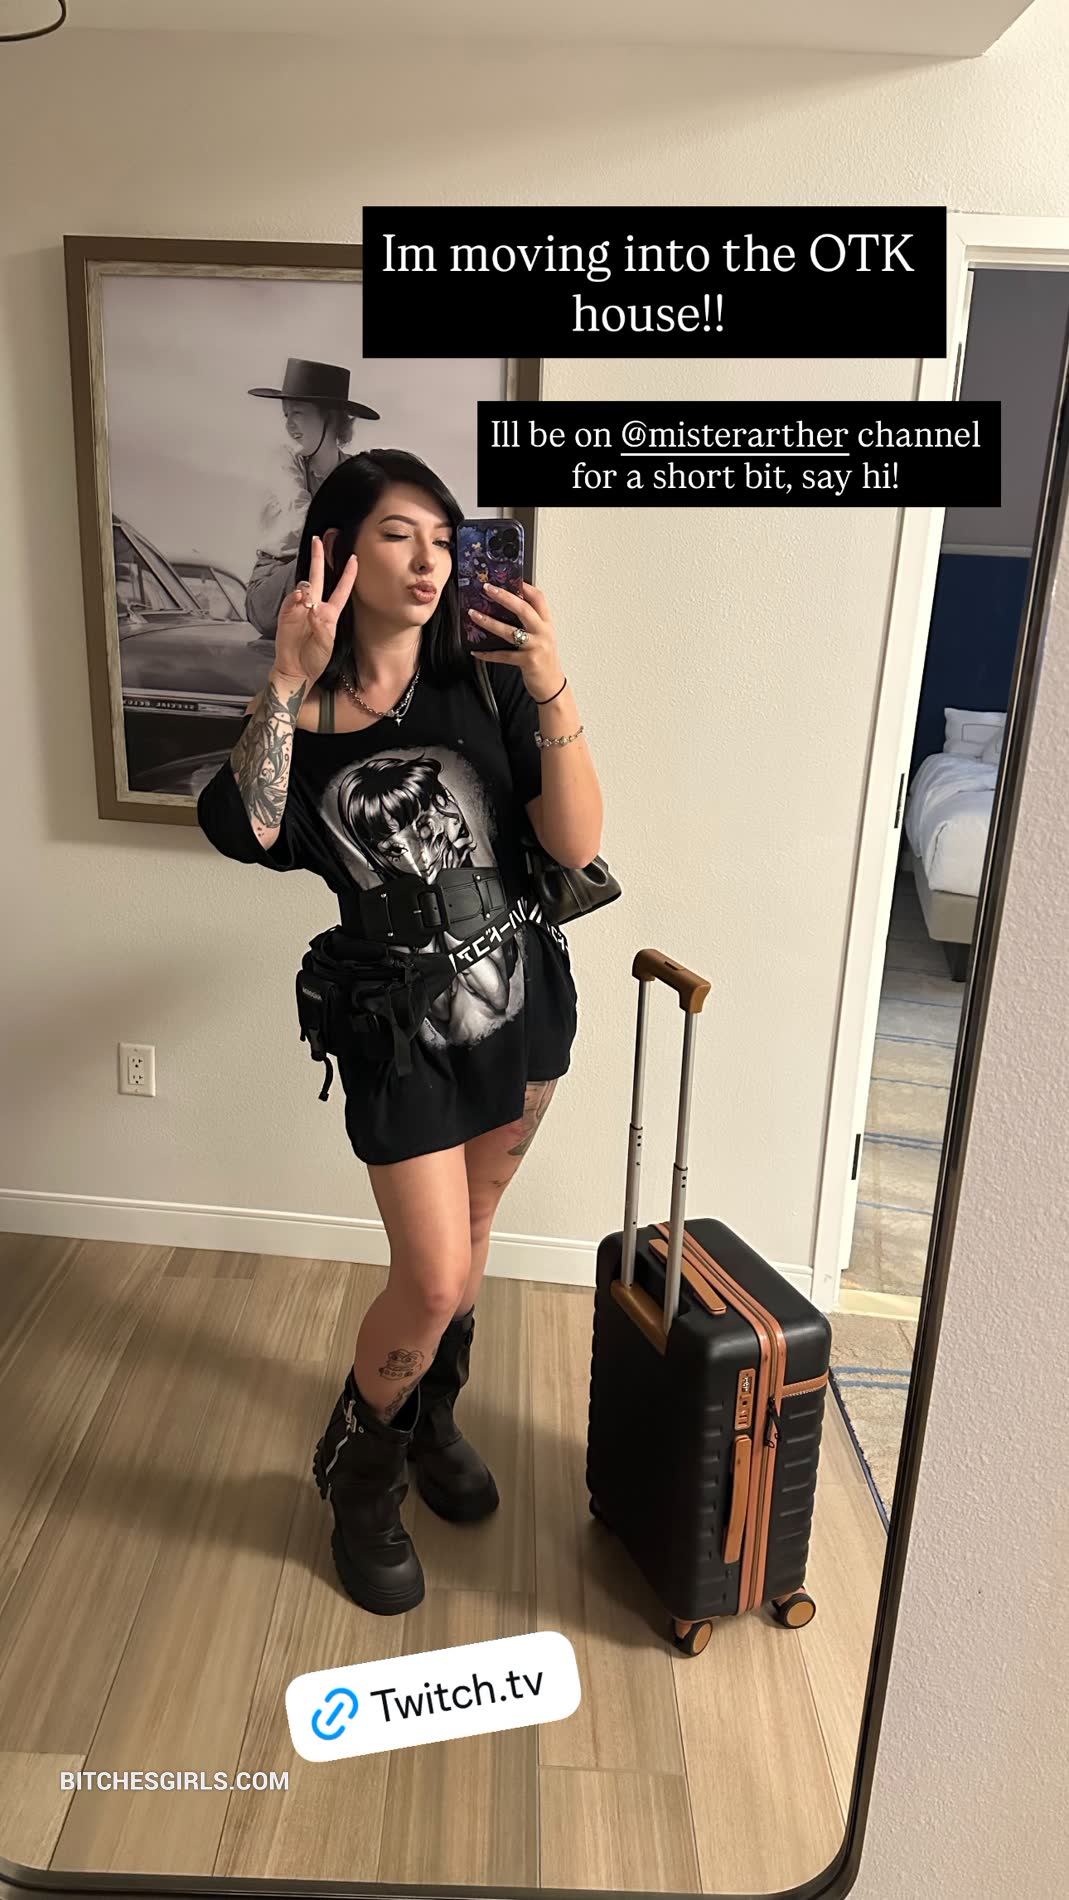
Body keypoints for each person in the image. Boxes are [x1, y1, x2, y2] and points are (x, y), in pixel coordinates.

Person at [196, 448, 604, 1618]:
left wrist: (552, 683)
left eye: (442, 536)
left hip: (521, 994)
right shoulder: (301, 716)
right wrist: (285, 677)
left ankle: (431, 1421)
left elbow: (574, 845)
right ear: (335, 550)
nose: (429, 561)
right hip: (394, 1021)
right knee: (428, 1280)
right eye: (396, 535)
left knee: (470, 1237)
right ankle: (359, 1477)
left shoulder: (485, 681)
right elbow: (241, 827)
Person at [244, 357, 380, 638]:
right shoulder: (284, 460)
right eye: (286, 415)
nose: (290, 425)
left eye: (298, 413)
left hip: (327, 586)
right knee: (324, 555)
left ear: (330, 417)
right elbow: (302, 517)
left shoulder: (353, 470)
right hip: (275, 585)